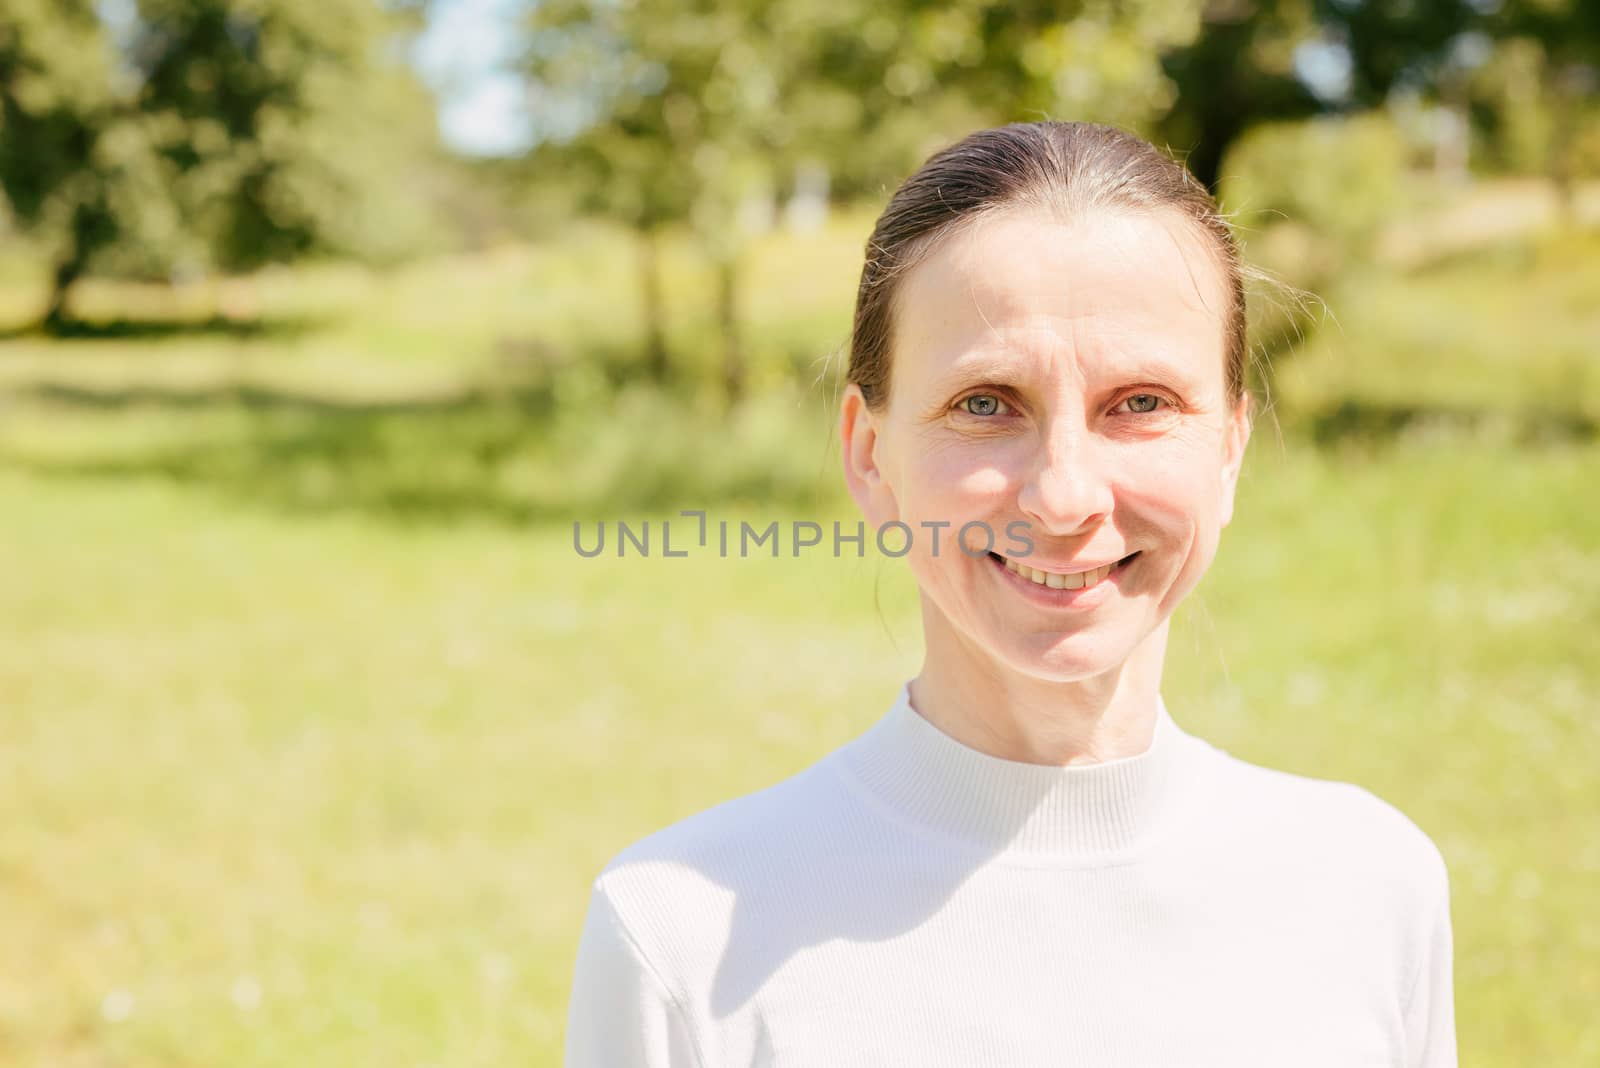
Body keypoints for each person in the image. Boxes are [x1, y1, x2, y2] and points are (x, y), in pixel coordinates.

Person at [564, 121, 1457, 1067]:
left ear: (1231, 449)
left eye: (1142, 403)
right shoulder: (677, 934)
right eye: (986, 403)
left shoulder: (1371, 885)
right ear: (871, 457)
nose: (1065, 496)